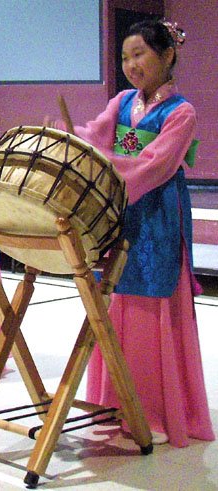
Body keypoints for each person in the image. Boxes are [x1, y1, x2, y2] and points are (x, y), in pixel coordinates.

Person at [60, 20, 214, 447]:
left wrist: (103, 162)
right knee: (117, 301)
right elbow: (94, 134)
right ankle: (117, 405)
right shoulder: (123, 101)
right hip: (120, 211)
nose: (130, 65)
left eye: (140, 54)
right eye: (125, 57)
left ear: (167, 56)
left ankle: (156, 415)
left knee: (150, 304)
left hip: (158, 215)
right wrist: (71, 138)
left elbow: (154, 165)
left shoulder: (181, 112)